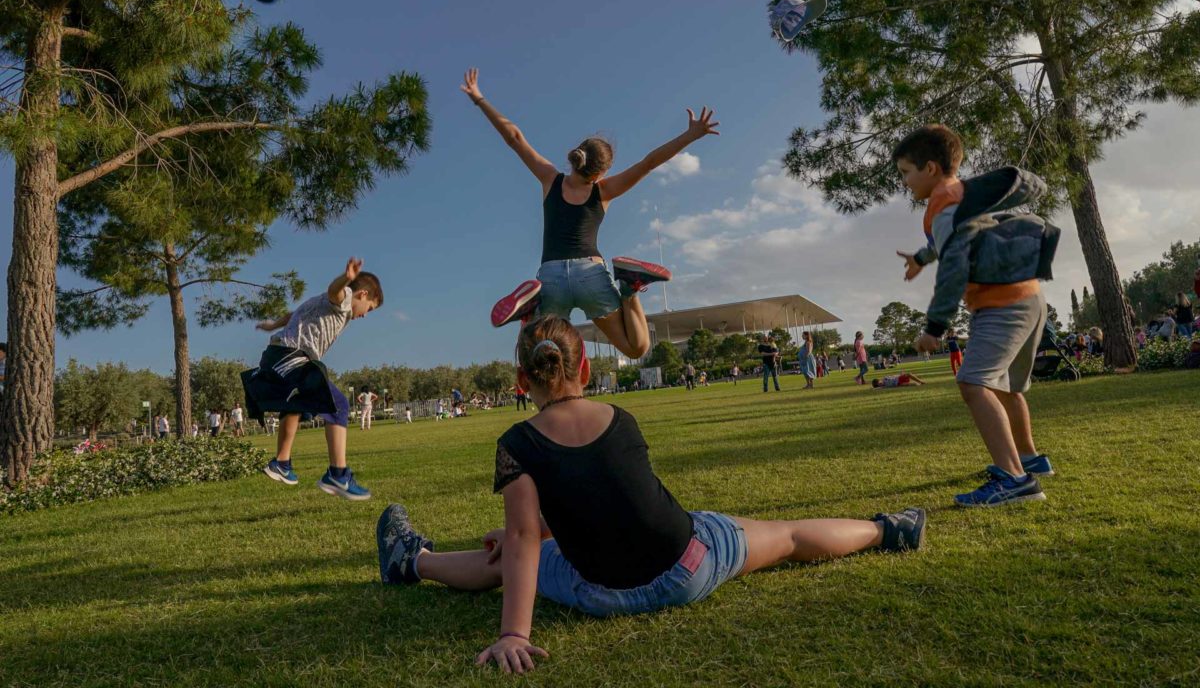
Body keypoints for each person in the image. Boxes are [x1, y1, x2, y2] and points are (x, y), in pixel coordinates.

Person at [374, 317, 926, 674]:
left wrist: (514, 632)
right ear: (584, 367)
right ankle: (888, 530)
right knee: (785, 535)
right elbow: (616, 499)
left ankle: (412, 560)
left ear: (523, 382)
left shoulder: (516, 442)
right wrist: (536, 537)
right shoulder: (621, 417)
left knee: (507, 558)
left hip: (596, 591)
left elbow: (521, 537)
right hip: (687, 570)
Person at [467, 68, 719, 357]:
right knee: (636, 347)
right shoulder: (603, 190)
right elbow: (649, 162)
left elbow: (514, 138)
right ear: (601, 172)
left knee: (535, 352)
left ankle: (528, 315)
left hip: (551, 279)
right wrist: (690, 135)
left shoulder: (551, 179)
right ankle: (629, 286)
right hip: (590, 275)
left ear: (576, 157)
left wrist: (479, 98)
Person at [894, 124, 1054, 507]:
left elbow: (954, 264)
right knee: (1006, 387)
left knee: (972, 383)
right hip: (1030, 298)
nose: (904, 182)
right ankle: (1029, 459)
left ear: (930, 168)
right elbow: (950, 241)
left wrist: (935, 326)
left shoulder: (943, 204)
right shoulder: (963, 197)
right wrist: (919, 258)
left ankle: (1015, 480)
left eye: (905, 172)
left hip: (1001, 305)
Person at [242, 257, 381, 501]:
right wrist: (346, 278)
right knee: (339, 405)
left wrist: (272, 325)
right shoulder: (345, 301)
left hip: (276, 355)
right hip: (292, 356)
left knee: (295, 405)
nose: (365, 315)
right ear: (362, 294)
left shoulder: (316, 303)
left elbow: (292, 314)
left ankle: (281, 463)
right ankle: (338, 474)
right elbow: (334, 292)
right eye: (369, 308)